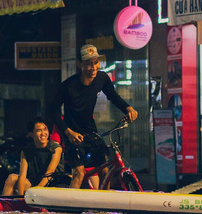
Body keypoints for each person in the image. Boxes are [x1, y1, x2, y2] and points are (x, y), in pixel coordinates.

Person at [51, 44, 138, 189]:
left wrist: (127, 108)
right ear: (79, 64)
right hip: (73, 135)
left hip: (91, 132)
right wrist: (68, 132)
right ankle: (70, 209)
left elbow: (113, 96)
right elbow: (52, 111)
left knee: (105, 170)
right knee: (78, 173)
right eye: (88, 64)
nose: (93, 67)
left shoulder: (102, 78)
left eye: (96, 62)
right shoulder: (68, 86)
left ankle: (103, 207)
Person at [2, 117, 63, 196]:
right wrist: (21, 197)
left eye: (45, 129)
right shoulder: (26, 151)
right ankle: (4, 207)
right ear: (31, 134)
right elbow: (22, 176)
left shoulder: (55, 148)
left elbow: (50, 172)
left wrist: (37, 190)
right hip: (35, 185)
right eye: (39, 130)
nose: (43, 133)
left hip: (53, 186)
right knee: (12, 178)